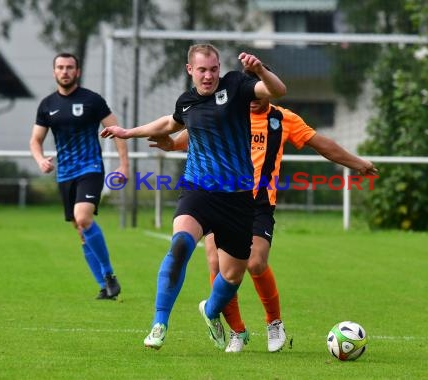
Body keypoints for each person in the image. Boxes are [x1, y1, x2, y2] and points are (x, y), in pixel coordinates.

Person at [149, 68, 378, 353]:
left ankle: (273, 322)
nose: (253, 95)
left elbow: (322, 144)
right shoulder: (228, 110)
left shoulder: (283, 120)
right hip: (218, 194)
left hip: (257, 203)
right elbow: (191, 134)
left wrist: (355, 163)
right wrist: (167, 143)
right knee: (217, 266)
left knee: (255, 263)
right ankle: (237, 331)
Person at [100, 44, 287, 350]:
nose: (209, 75)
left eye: (213, 69)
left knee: (231, 276)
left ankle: (210, 311)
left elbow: (277, 91)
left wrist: (260, 69)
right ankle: (159, 323)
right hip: (198, 191)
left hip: (238, 198)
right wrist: (126, 132)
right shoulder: (186, 102)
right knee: (180, 245)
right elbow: (167, 124)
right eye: (202, 70)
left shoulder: (237, 86)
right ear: (190, 70)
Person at [29, 52, 129, 300]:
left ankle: (109, 275)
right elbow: (35, 140)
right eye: (60, 67)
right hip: (65, 174)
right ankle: (104, 287)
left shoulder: (92, 100)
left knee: (82, 218)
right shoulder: (47, 105)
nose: (65, 71)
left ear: (77, 71)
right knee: (80, 230)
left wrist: (124, 165)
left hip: (91, 169)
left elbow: (116, 131)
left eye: (69, 67)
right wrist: (40, 159)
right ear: (54, 72)